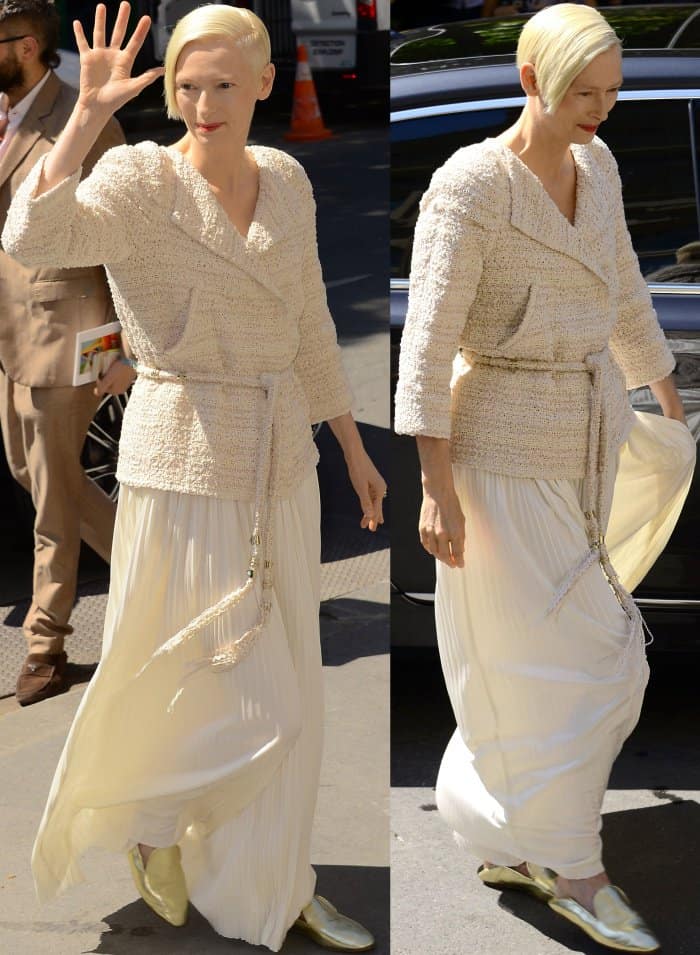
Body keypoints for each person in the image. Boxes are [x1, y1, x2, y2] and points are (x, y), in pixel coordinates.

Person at [3, 3, 385, 951]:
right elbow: (33, 238)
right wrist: (85, 117)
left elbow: (305, 320)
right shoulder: (138, 177)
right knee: (222, 688)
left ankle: (276, 881)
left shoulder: (289, 179)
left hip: (279, 462)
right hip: (179, 460)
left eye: (223, 83)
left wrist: (351, 440)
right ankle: (153, 821)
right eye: (185, 84)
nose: (202, 104)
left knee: (288, 680)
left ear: (266, 81)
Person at [395, 5, 694, 952]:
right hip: (495, 455)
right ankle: (577, 869)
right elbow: (426, 346)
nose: (600, 112)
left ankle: (508, 832)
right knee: (601, 664)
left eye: (611, 94)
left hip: (587, 441)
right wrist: (435, 486)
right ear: (530, 78)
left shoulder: (597, 166)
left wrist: (664, 390)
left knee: (541, 670)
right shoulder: (470, 186)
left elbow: (625, 286)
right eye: (582, 94)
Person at [0, 0, 129, 707]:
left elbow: (124, 248)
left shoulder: (86, 122)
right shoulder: (5, 116)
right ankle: (159, 569)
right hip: (10, 336)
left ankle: (45, 648)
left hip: (68, 334)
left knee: (51, 501)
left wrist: (120, 349)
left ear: (24, 47)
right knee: (33, 476)